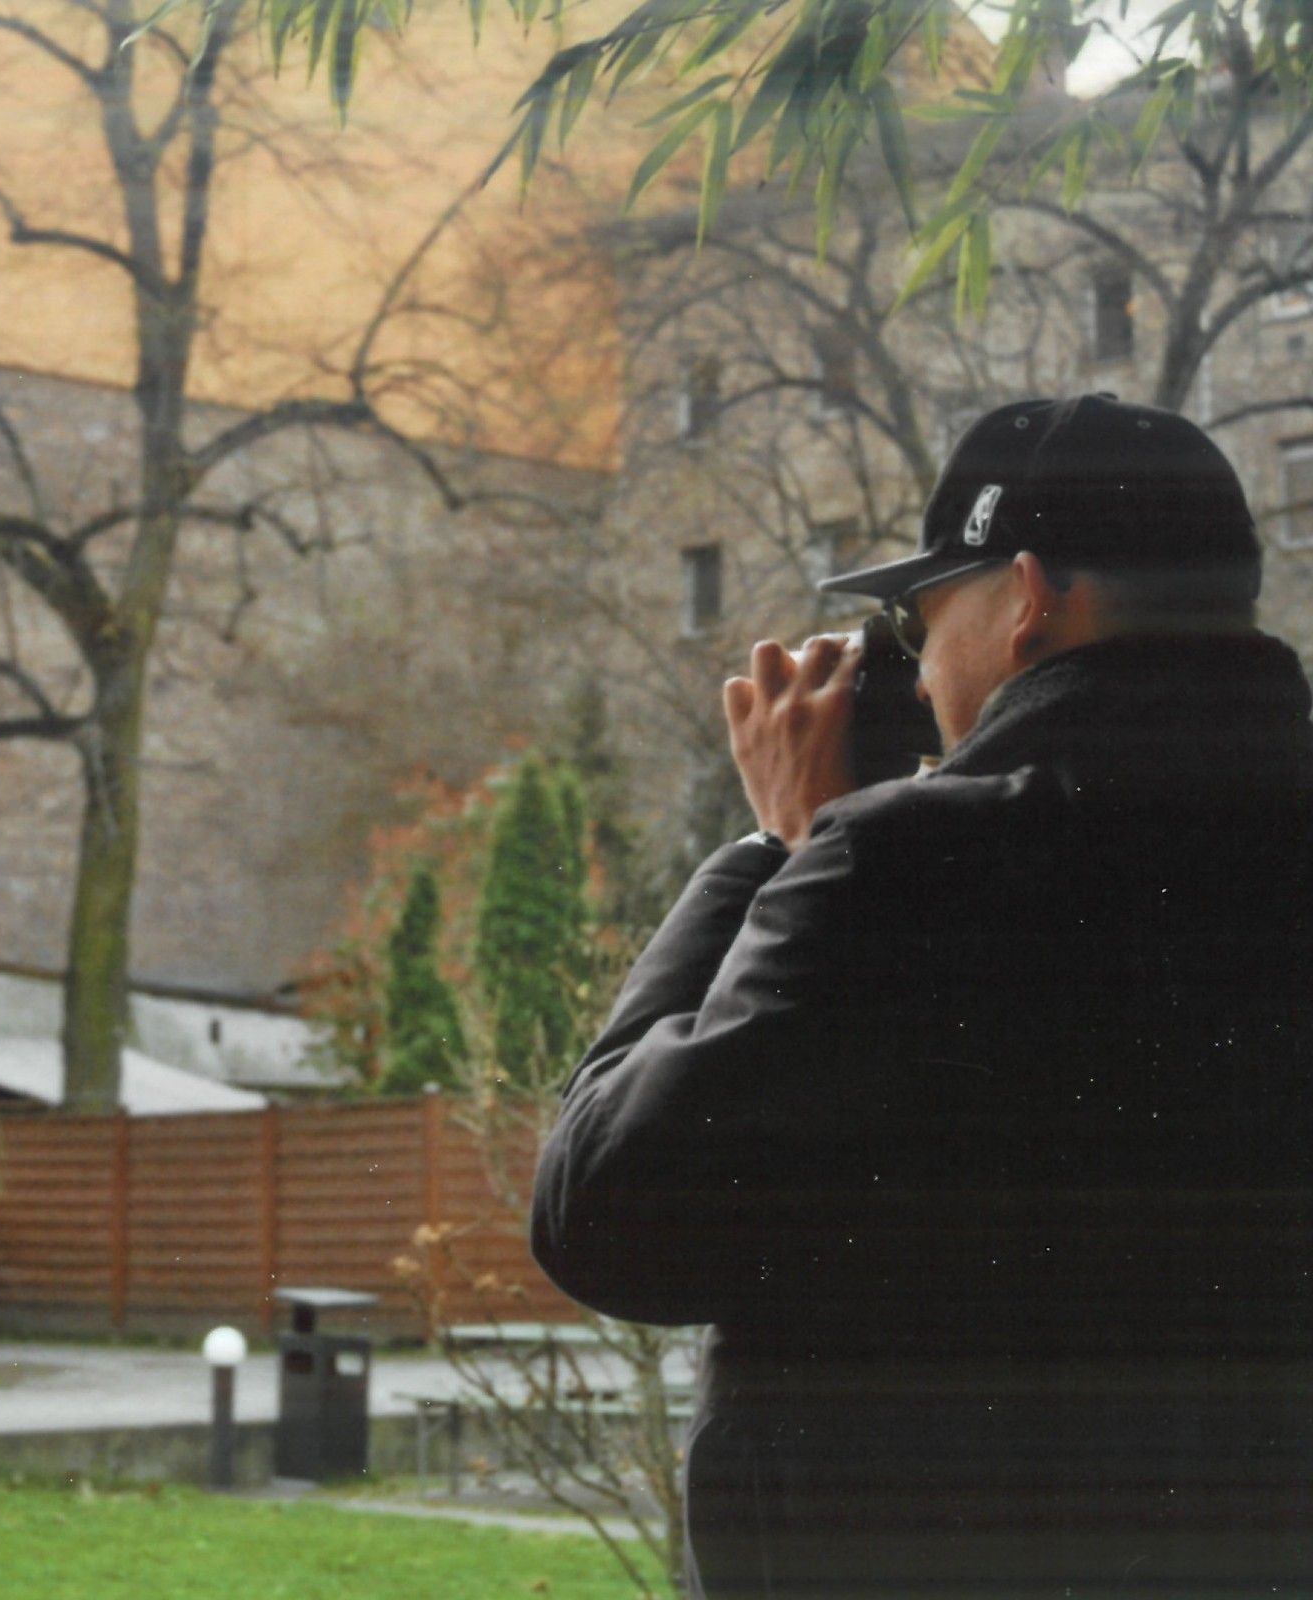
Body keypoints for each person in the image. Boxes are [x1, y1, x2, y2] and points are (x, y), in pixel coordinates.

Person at [530, 394, 1313, 1599]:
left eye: (921, 610)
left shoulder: (913, 869)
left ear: (1030, 593)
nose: (915, 658)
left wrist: (779, 846)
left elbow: (605, 1212)